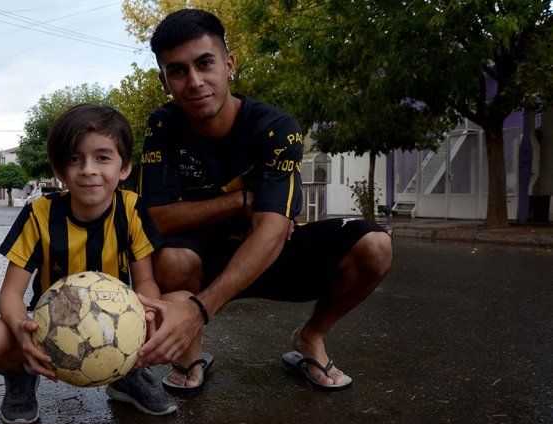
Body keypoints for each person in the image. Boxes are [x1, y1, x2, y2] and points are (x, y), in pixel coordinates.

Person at [134, 9, 393, 393]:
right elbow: (155, 218)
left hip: (269, 252)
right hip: (201, 255)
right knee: (170, 258)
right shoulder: (162, 125)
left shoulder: (275, 128)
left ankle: (310, 337)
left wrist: (199, 309)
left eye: (205, 63)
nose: (195, 81)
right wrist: (241, 200)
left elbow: (272, 229)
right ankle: (188, 352)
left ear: (229, 64)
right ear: (164, 81)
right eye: (178, 71)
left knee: (375, 245)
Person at [0, 104, 178, 424]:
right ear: (59, 169)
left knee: (174, 312)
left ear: (124, 168)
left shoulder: (131, 207)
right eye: (75, 158)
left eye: (102, 157)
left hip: (116, 325)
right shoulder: (39, 214)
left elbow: (146, 281)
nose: (88, 169)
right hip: (48, 330)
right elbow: (10, 295)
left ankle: (126, 376)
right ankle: (21, 374)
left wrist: (146, 312)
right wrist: (22, 333)